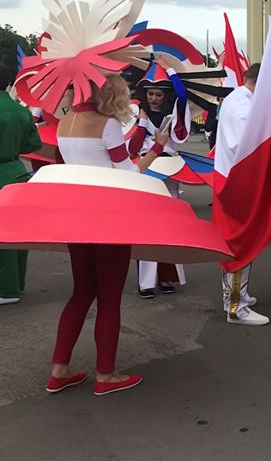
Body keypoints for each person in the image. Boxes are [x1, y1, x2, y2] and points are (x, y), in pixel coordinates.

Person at [49, 74, 169, 395]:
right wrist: (157, 148)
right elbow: (128, 174)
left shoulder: (65, 123)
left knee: (81, 292)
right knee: (110, 296)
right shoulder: (107, 124)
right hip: (110, 219)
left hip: (76, 219)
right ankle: (106, 375)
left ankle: (59, 369)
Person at [216, 63, 269, 326]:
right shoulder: (244, 108)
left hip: (234, 180)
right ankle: (235, 306)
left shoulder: (237, 98)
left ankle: (239, 296)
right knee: (239, 243)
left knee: (240, 241)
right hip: (237, 183)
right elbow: (245, 147)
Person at [130, 60, 188, 298]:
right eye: (150, 93)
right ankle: (146, 282)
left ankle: (166, 276)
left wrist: (169, 68)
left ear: (166, 95)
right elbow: (132, 148)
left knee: (170, 224)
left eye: (159, 94)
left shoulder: (175, 114)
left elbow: (182, 94)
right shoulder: (135, 115)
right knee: (147, 225)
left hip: (170, 168)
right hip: (146, 168)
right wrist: (142, 123)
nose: (154, 98)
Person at [0, 59, 42, 305]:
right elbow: (33, 145)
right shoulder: (21, 110)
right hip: (16, 171)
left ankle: (6, 289)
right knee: (16, 230)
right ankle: (17, 284)